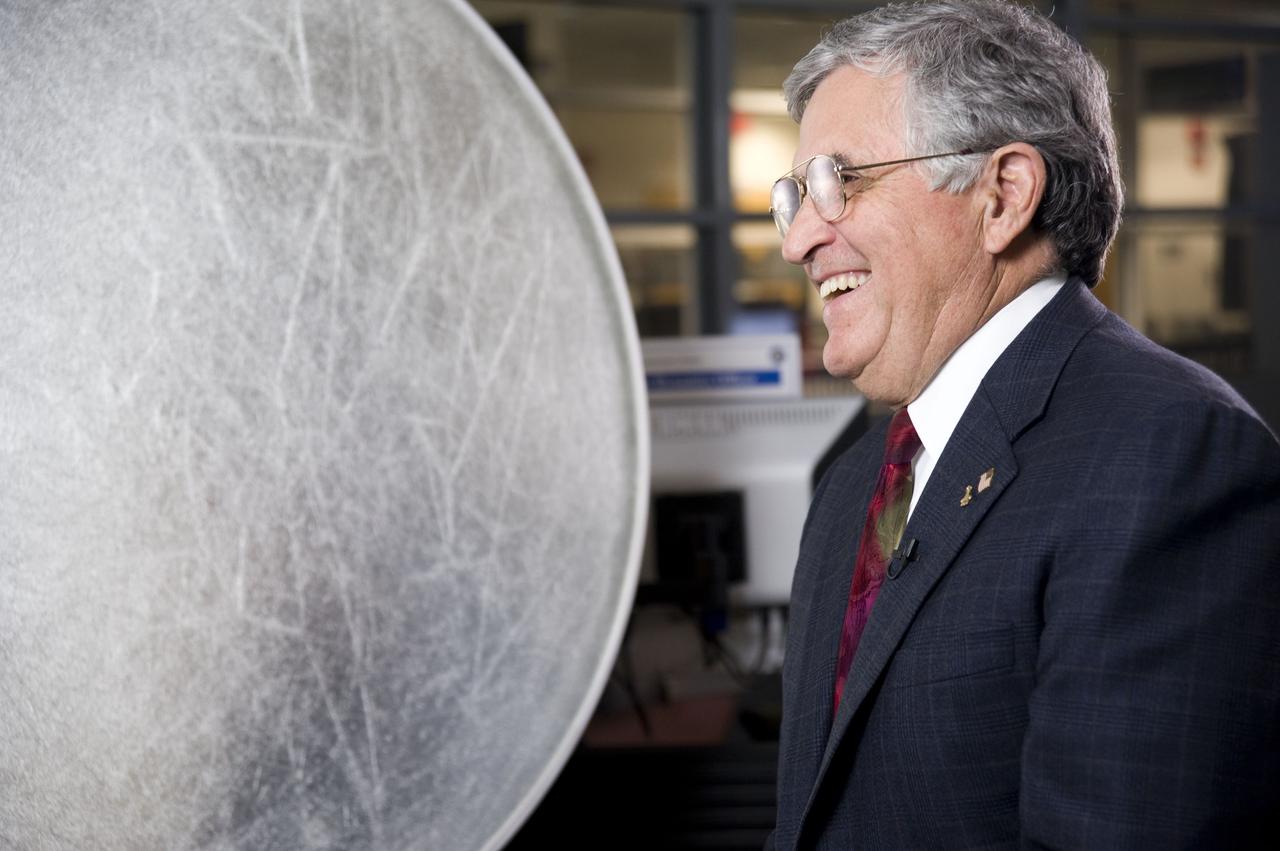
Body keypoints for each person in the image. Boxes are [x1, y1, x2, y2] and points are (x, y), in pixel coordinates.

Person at [766, 1, 1280, 848]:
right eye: (796, 196)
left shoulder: (1171, 456)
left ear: (1002, 196)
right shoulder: (854, 484)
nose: (798, 241)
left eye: (838, 181)